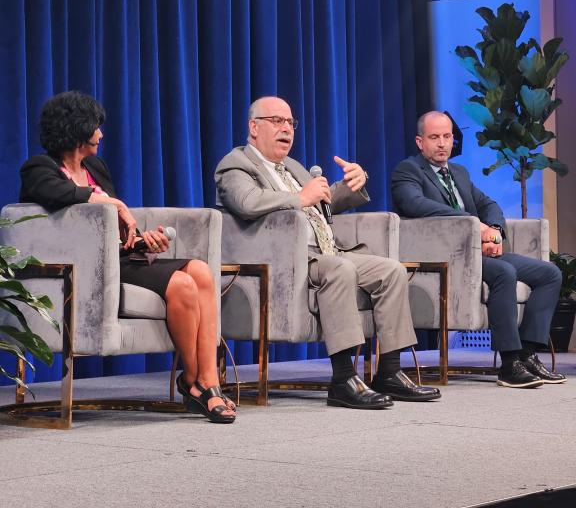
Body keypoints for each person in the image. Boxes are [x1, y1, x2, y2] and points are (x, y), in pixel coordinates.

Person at [20, 91, 235, 423]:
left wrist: (142, 241)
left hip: (122, 260)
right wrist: (113, 203)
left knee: (202, 272)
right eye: (95, 127)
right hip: (89, 272)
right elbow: (57, 194)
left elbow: (113, 232)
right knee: (182, 285)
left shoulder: (95, 166)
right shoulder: (39, 169)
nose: (101, 134)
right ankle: (196, 384)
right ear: (77, 129)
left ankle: (205, 381)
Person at [215, 96, 440, 408]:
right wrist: (299, 196)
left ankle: (389, 371)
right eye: (277, 121)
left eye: (290, 123)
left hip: (326, 249)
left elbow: (319, 204)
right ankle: (343, 378)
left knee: (392, 270)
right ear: (254, 127)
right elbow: (248, 202)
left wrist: (350, 187)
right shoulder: (236, 164)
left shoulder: (291, 167)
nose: (286, 129)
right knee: (340, 269)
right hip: (287, 261)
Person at [391, 110, 566, 389]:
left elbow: (488, 205)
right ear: (419, 141)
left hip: (479, 252)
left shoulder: (458, 172)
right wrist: (473, 226)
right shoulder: (408, 171)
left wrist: (493, 232)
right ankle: (509, 364)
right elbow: (415, 205)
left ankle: (528, 353)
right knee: (504, 272)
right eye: (434, 137)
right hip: (446, 258)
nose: (442, 144)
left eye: (447, 136)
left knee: (549, 274)